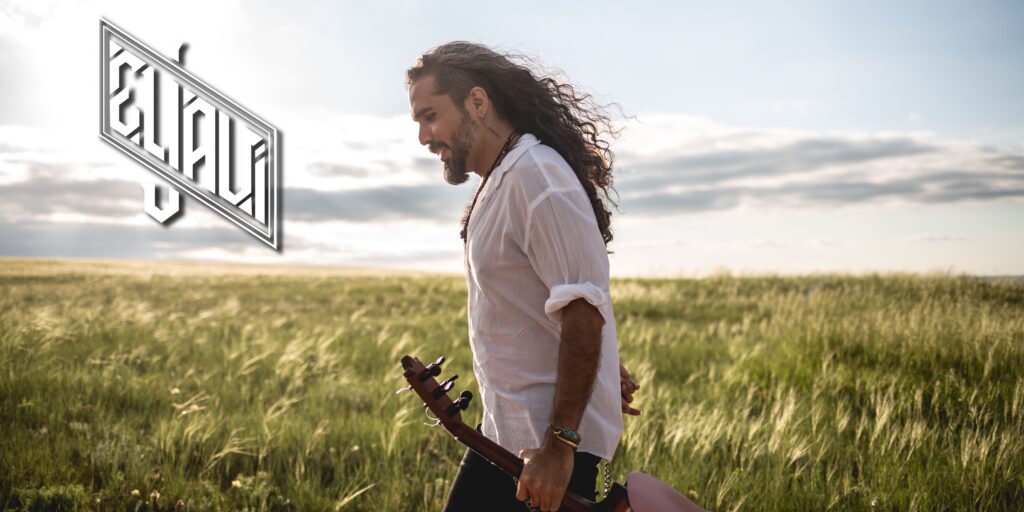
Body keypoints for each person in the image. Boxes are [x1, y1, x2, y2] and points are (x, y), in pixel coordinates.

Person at [407, 41, 640, 512]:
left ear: (477, 102)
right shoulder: (500, 182)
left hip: (547, 458)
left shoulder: (538, 178)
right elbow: (554, 299)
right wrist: (595, 366)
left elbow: (584, 310)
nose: (423, 136)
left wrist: (559, 448)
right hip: (506, 441)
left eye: (430, 116)